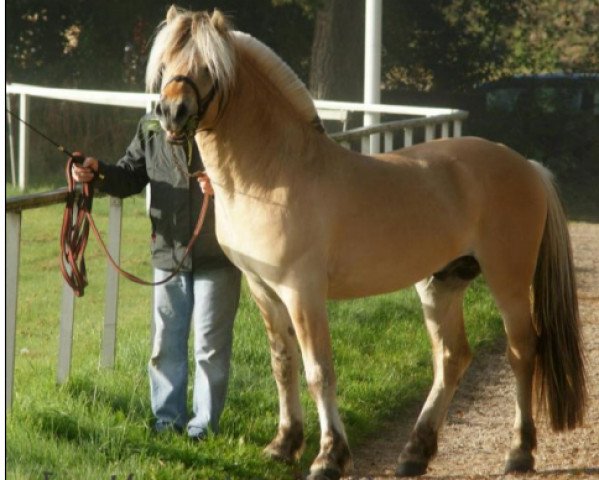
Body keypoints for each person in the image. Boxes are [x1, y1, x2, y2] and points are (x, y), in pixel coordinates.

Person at [72, 113, 241, 440]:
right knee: (166, 343)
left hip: (219, 254)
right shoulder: (151, 126)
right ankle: (167, 424)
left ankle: (204, 428)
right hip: (168, 253)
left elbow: (253, 178)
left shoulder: (225, 123)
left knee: (210, 347)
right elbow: (130, 175)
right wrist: (98, 173)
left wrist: (223, 184)